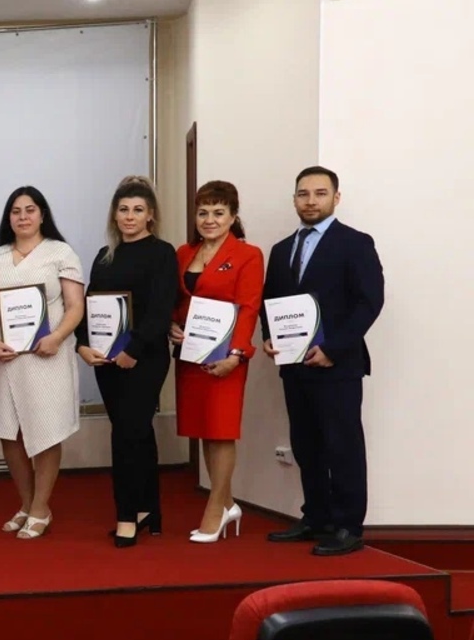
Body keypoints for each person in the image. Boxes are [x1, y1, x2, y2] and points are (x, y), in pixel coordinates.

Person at [261, 166, 384, 556]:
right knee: (306, 445)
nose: (311, 201)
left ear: (336, 198)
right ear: (294, 199)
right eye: (303, 194)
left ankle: (348, 526)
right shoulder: (281, 250)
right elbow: (271, 302)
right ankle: (317, 517)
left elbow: (369, 303)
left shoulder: (355, 243)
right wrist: (268, 336)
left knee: (342, 446)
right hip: (294, 366)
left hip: (338, 366)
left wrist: (333, 348)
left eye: (320, 193)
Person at [75, 178, 179, 547]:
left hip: (144, 359)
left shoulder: (162, 253)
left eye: (137, 210)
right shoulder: (105, 256)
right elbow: (89, 307)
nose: (129, 216)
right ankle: (149, 508)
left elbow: (161, 309)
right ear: (114, 215)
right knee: (136, 431)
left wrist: (133, 350)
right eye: (123, 210)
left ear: (150, 215)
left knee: (126, 435)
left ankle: (126, 515)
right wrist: (82, 345)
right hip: (107, 361)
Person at [0, 186, 86, 540]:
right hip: (6, 359)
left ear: (42, 215)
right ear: (8, 217)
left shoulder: (60, 252)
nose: (23, 216)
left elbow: (75, 306)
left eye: (30, 210)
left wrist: (56, 337)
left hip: (47, 357)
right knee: (9, 433)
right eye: (16, 211)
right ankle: (26, 504)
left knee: (46, 429)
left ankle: (42, 506)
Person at [170, 181, 265, 543]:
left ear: (233, 216)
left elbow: (249, 307)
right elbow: (177, 301)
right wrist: (171, 325)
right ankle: (227, 503)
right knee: (204, 429)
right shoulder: (184, 252)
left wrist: (237, 355)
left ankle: (215, 508)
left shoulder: (248, 254)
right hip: (191, 355)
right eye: (203, 212)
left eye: (218, 212)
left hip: (227, 358)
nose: (209, 220)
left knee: (221, 430)